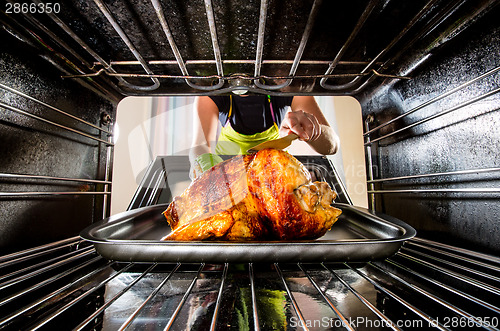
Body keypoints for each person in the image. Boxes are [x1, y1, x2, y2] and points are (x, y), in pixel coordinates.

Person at [190, 95, 339, 179]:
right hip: (227, 175)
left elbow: (332, 146)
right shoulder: (211, 93)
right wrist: (206, 168)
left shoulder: (285, 85)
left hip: (270, 175)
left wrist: (311, 128)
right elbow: (200, 145)